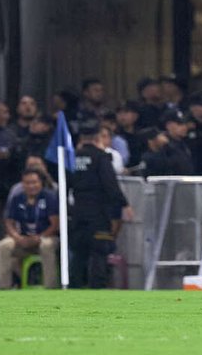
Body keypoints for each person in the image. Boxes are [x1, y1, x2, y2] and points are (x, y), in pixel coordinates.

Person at [67, 119, 131, 289]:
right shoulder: (101, 157)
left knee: (78, 255)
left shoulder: (71, 158)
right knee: (98, 254)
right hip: (98, 214)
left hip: (77, 213)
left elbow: (65, 185)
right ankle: (97, 291)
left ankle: (75, 289)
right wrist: (124, 204)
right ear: (97, 136)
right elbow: (110, 184)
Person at [0, 168, 58, 288]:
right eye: (27, 183)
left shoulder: (49, 198)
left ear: (40, 183)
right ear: (22, 184)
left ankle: (51, 288)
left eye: (34, 182)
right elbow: (9, 222)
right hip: (23, 238)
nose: (31, 186)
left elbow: (55, 224)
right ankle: (4, 288)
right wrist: (17, 237)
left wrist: (39, 237)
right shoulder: (17, 198)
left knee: (46, 246)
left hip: (46, 237)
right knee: (2, 246)